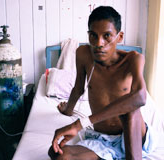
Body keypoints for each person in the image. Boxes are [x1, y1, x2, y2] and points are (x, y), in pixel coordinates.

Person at [48, 6, 149, 160]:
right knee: (59, 155)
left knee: (130, 105)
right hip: (102, 138)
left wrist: (79, 124)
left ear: (119, 37)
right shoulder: (83, 54)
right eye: (93, 36)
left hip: (132, 135)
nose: (99, 43)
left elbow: (140, 97)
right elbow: (78, 88)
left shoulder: (133, 59)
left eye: (107, 35)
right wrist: (68, 110)